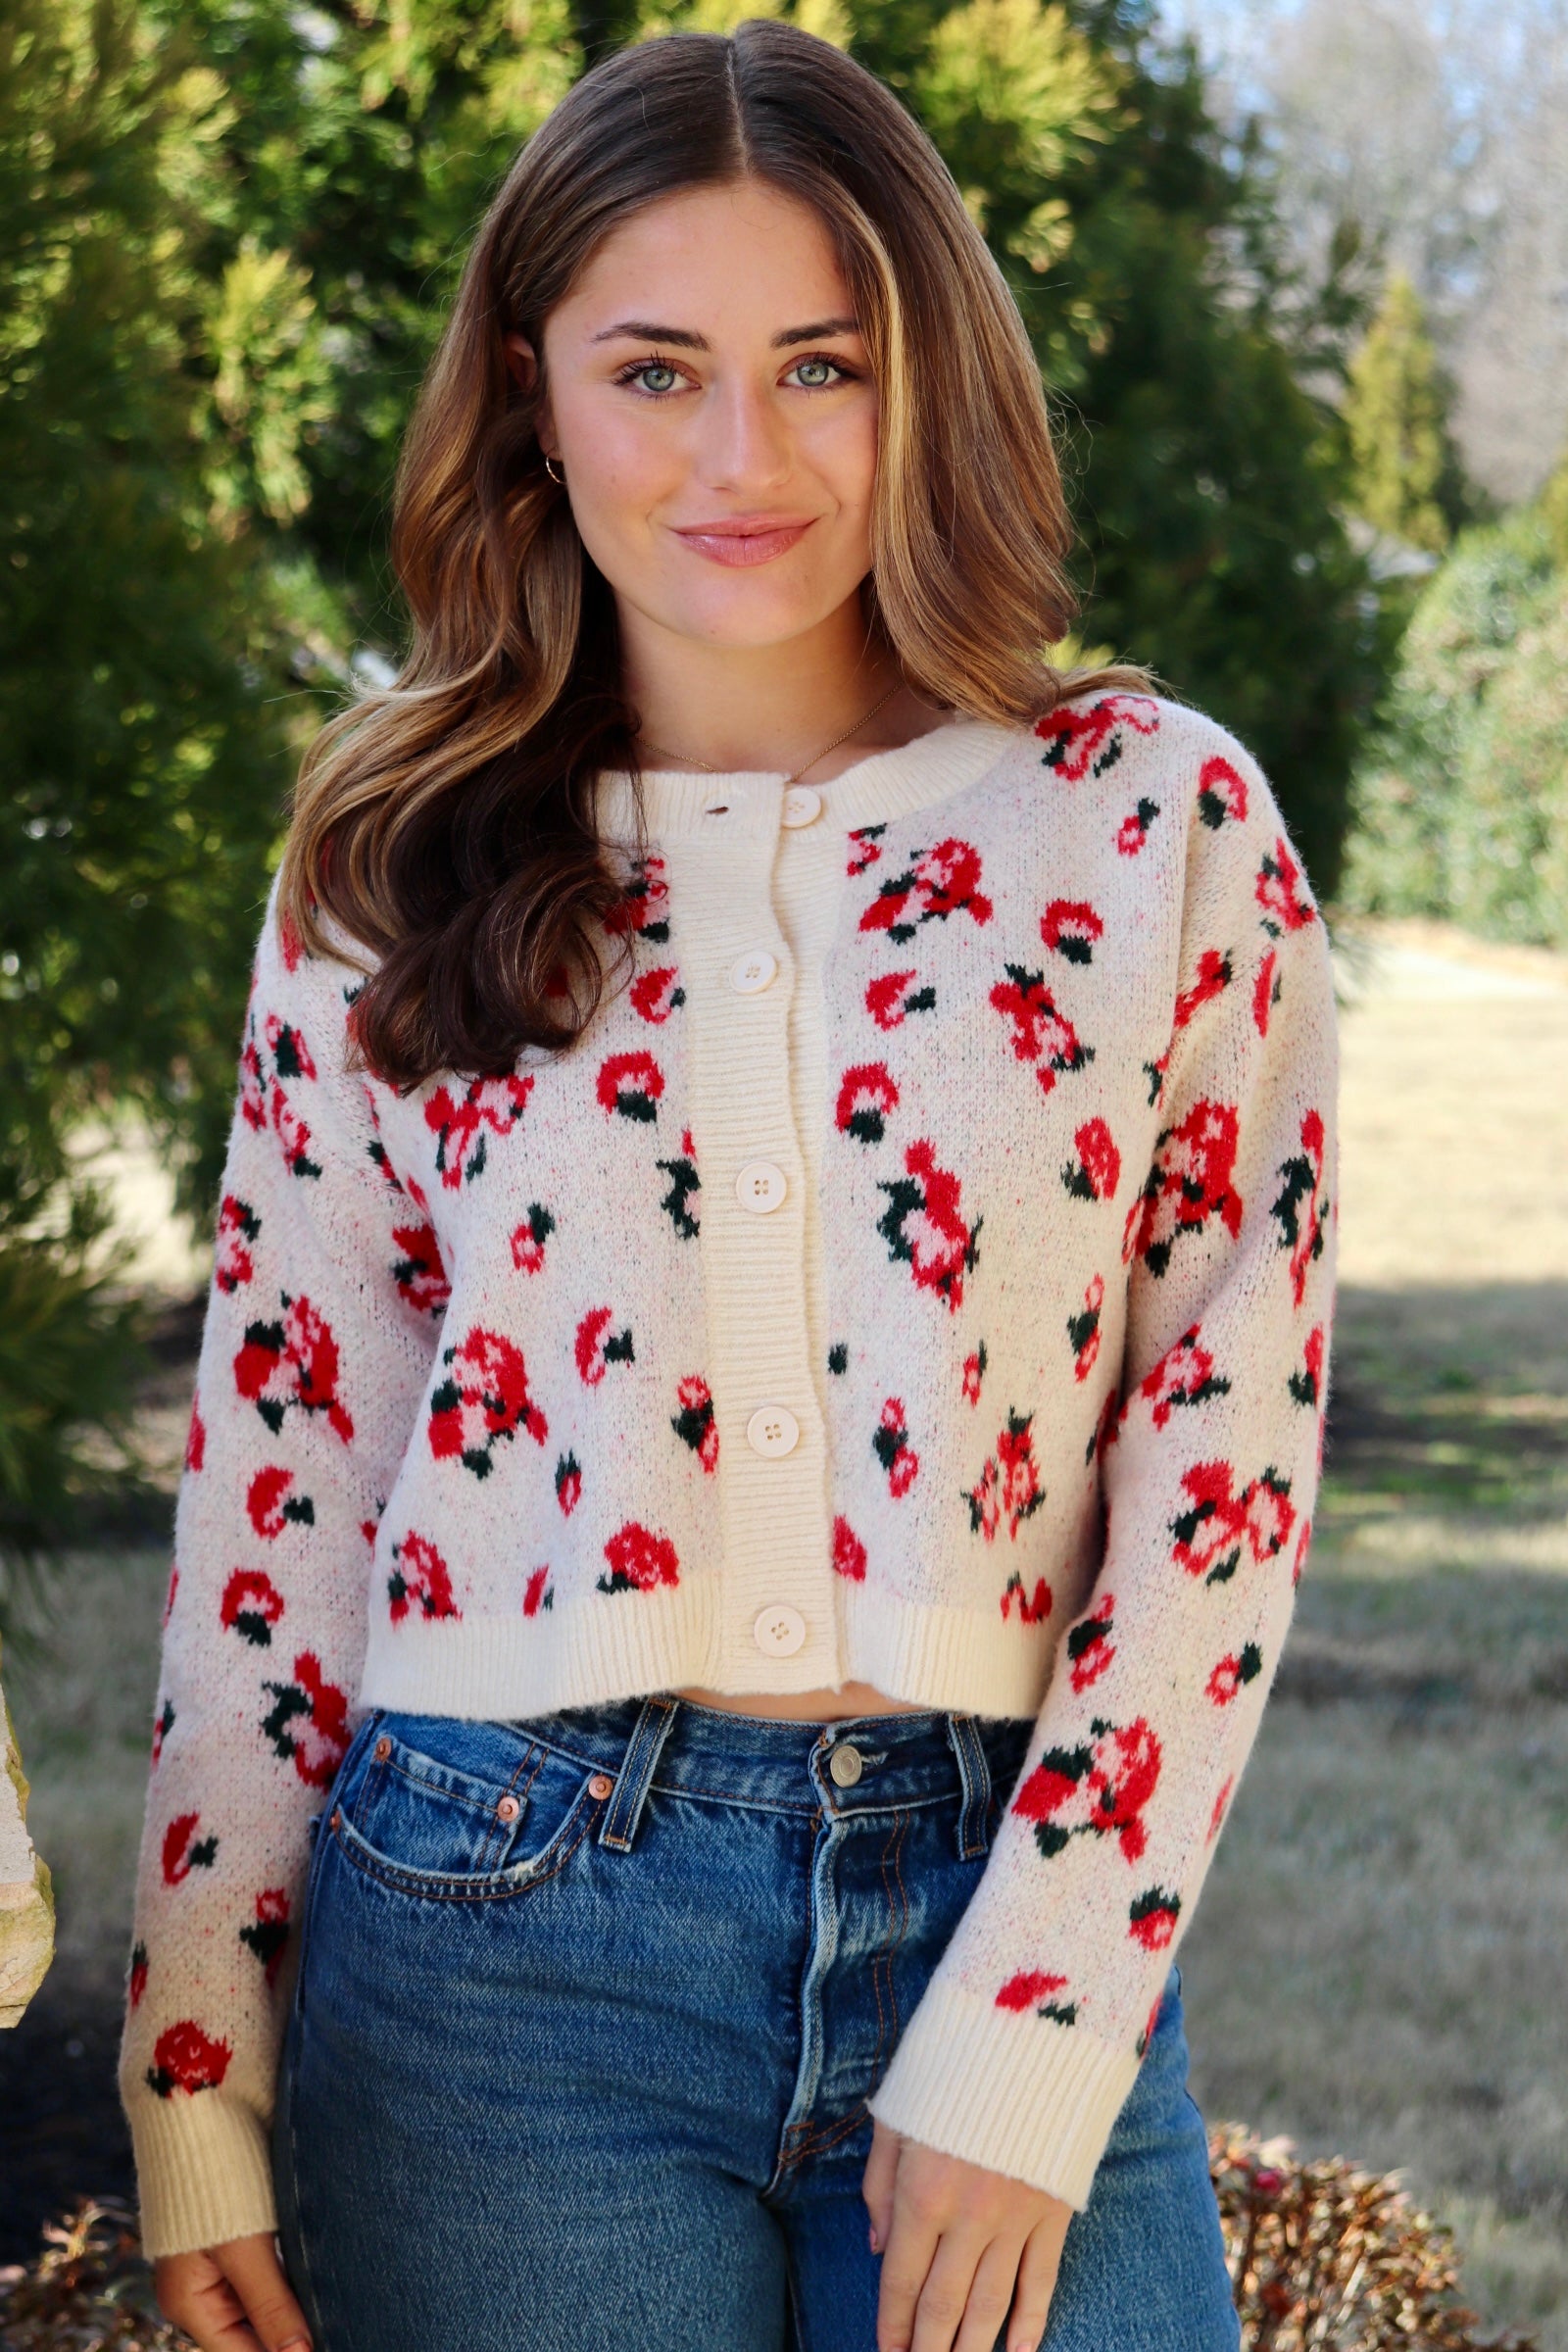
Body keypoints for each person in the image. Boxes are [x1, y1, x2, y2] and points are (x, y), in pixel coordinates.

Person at [120, 22, 1338, 2352]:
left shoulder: (1145, 817)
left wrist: (1042, 2011)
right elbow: (285, 1470)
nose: (741, 457)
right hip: (488, 1952)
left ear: (928, 382)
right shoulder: (386, 857)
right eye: (655, 369)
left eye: (820, 366)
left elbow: (1224, 1456)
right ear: (528, 383)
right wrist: (193, 2053)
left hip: (1003, 1890)